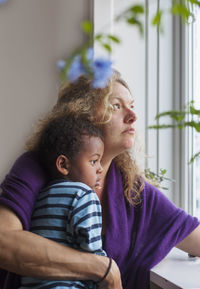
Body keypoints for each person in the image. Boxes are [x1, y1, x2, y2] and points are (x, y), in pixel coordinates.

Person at [0, 70, 200, 289]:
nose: (132, 115)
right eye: (116, 106)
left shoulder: (131, 188)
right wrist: (102, 269)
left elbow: (194, 238)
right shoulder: (37, 165)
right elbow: (4, 241)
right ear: (83, 114)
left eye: (131, 105)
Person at [20, 115, 108, 289]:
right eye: (94, 161)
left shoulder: (42, 194)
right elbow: (92, 251)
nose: (100, 168)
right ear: (64, 165)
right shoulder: (84, 195)